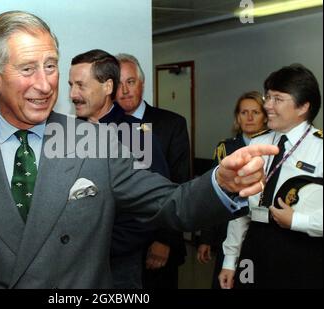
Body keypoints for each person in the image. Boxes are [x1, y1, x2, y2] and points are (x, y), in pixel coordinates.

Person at [0, 10, 277, 289]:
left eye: (51, 66)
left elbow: (172, 204)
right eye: (27, 69)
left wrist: (220, 184)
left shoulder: (95, 143)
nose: (44, 84)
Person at [69, 49, 169, 288]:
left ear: (107, 87)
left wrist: (102, 246)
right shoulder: (65, 135)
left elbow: (155, 201)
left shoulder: (138, 134)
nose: (73, 94)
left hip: (118, 265)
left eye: (81, 85)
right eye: (71, 85)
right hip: (70, 265)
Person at [219, 64, 323, 289]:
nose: (267, 106)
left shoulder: (320, 148)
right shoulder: (258, 143)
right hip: (254, 246)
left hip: (301, 250)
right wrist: (230, 260)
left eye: (277, 99)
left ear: (303, 106)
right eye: (268, 97)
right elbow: (241, 206)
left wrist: (297, 221)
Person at [115, 53, 189, 289]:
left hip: (157, 242)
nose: (125, 90)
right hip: (116, 246)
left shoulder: (171, 124)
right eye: (118, 84)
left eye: (131, 82)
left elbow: (179, 184)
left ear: (142, 83)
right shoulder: (98, 127)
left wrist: (164, 239)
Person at [196, 91, 267, 289]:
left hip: (260, 232)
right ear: (237, 117)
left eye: (255, 112)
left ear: (265, 116)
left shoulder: (273, 148)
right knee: (224, 281)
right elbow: (212, 193)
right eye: (244, 112)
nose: (250, 117)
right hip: (226, 230)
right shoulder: (226, 148)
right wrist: (206, 239)